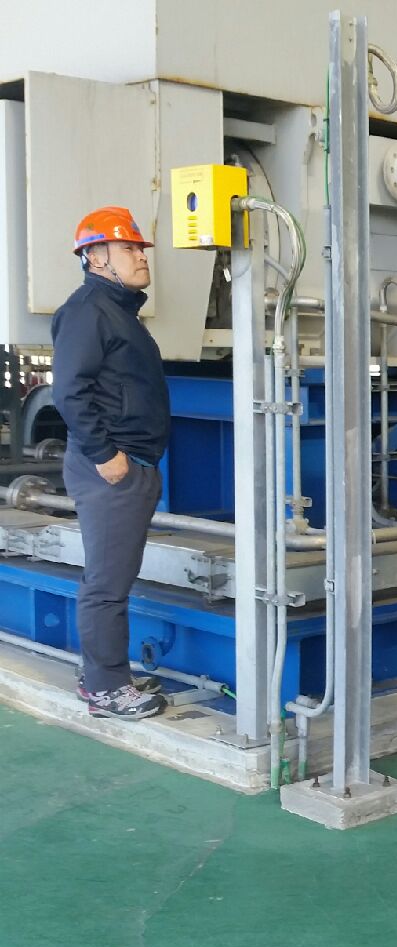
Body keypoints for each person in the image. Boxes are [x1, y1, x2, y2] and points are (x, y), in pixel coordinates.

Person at [52, 207, 170, 721]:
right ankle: (105, 687)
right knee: (107, 584)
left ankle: (106, 675)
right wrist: (106, 456)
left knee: (113, 578)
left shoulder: (117, 311)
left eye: (140, 248)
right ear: (97, 257)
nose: (141, 256)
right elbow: (69, 391)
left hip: (130, 463)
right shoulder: (88, 310)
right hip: (110, 468)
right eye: (129, 248)